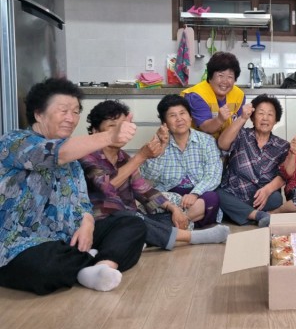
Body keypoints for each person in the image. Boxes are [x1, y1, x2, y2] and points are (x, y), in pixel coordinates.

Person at [0, 78, 146, 295]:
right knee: (43, 266)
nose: (71, 118)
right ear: (39, 114)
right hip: (20, 243)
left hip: (68, 238)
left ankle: (101, 266)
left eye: (76, 111)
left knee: (132, 223)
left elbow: (83, 203)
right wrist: (110, 136)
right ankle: (93, 263)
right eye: (63, 111)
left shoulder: (73, 161)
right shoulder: (14, 141)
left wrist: (88, 223)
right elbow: (55, 153)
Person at [80, 100, 230, 250]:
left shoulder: (123, 158)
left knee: (166, 218)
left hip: (131, 218)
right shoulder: (87, 157)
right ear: (96, 131)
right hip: (102, 222)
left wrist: (173, 208)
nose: (119, 131)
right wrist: (141, 156)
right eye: (112, 126)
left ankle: (140, 239)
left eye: (122, 126)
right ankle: (193, 238)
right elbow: (106, 187)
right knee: (133, 219)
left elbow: (144, 189)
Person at [140, 95, 223, 227]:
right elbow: (149, 176)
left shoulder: (207, 141)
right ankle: (182, 223)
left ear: (190, 117)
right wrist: (162, 147)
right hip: (168, 195)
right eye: (172, 115)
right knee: (150, 201)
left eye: (182, 113)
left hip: (197, 194)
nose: (179, 119)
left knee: (212, 198)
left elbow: (213, 175)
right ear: (164, 123)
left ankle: (164, 224)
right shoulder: (157, 143)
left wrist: (195, 194)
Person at [217, 94, 290, 227]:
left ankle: (240, 213)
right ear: (252, 117)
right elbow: (222, 144)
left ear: (276, 120)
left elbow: (284, 175)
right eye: (260, 113)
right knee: (217, 194)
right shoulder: (241, 134)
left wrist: (267, 190)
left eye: (270, 114)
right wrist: (242, 118)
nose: (265, 118)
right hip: (233, 192)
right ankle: (258, 215)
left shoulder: (282, 145)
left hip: (260, 197)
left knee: (276, 198)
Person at [181, 51, 245, 139]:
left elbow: (237, 126)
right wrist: (220, 119)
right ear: (210, 77)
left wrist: (244, 117)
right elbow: (206, 128)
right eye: (220, 75)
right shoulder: (196, 95)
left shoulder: (239, 95)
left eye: (230, 77)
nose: (225, 81)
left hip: (226, 141)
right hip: (198, 143)